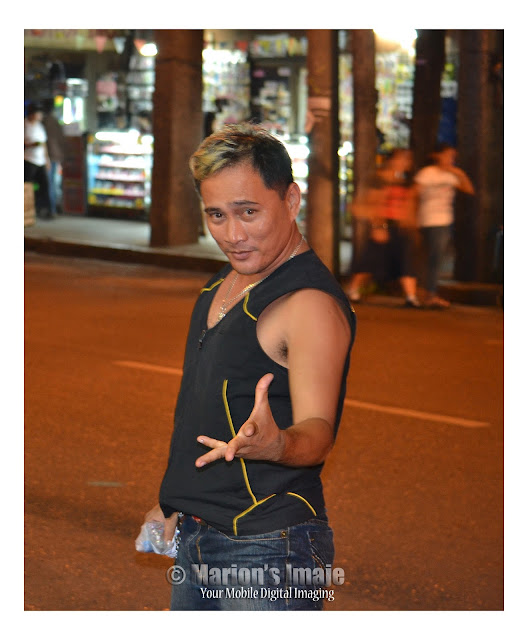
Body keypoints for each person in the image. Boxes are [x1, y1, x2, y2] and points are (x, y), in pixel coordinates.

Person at [143, 123, 356, 611]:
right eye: (216, 215)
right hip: (200, 532)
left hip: (267, 547)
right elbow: (200, 412)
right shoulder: (226, 281)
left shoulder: (307, 303)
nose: (233, 235)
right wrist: (175, 501)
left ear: (291, 200)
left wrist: (277, 443)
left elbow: (318, 431)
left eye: (249, 212)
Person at [346, 149, 421, 308]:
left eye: (407, 160)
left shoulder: (404, 182)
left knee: (406, 262)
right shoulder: (379, 179)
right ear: (391, 160)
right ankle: (353, 290)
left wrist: (412, 227)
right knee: (370, 260)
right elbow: (373, 204)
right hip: (384, 225)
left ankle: (411, 296)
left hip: (400, 227)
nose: (405, 163)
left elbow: (409, 207)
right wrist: (378, 226)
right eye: (401, 159)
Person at [414, 144, 475, 309]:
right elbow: (414, 194)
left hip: (444, 220)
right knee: (432, 258)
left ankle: (429, 293)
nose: (451, 159)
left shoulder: (451, 174)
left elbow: (469, 189)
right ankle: (427, 294)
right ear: (437, 155)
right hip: (428, 219)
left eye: (453, 157)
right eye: (448, 155)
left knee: (436, 258)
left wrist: (458, 173)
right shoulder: (427, 173)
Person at [24, 102, 52, 218]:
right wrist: (31, 145)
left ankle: (43, 209)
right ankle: (27, 211)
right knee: (27, 186)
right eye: (38, 113)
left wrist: (47, 159)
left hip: (40, 161)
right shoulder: (24, 125)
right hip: (28, 160)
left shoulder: (40, 126)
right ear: (32, 114)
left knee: (44, 185)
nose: (40, 115)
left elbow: (44, 144)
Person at [42, 98, 66, 216]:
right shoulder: (55, 121)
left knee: (50, 183)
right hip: (56, 155)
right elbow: (61, 138)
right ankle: (55, 207)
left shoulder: (45, 121)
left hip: (48, 156)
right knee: (54, 182)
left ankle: (51, 209)